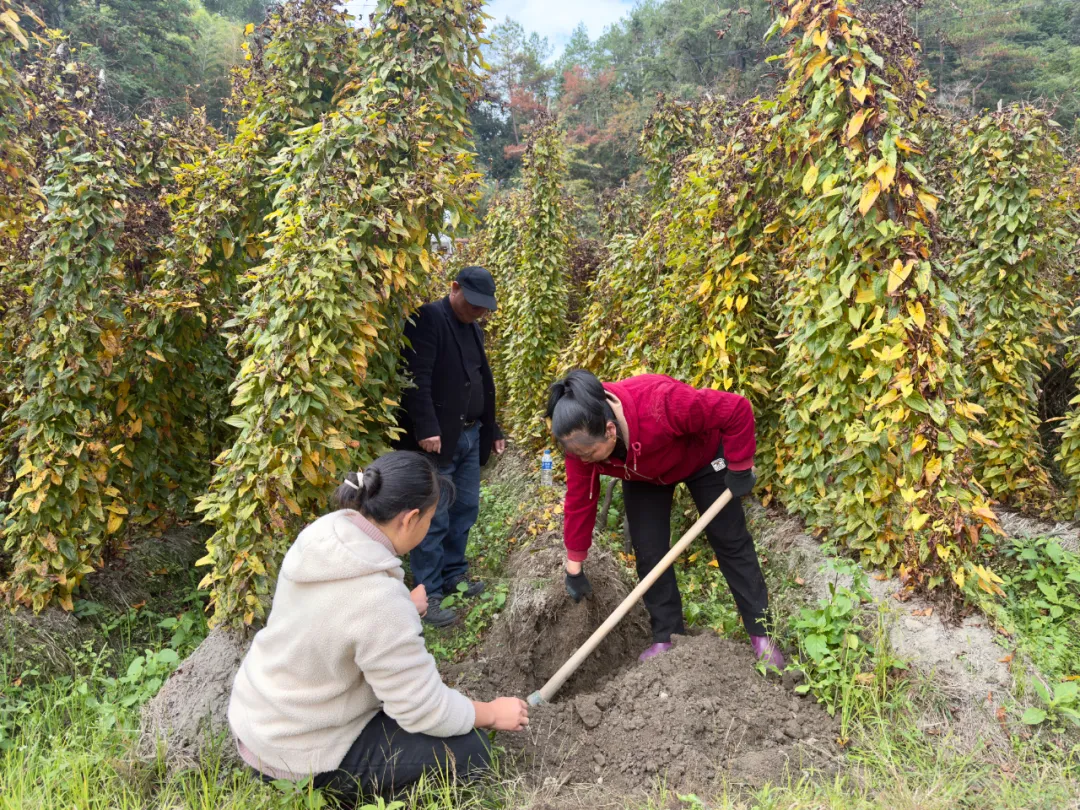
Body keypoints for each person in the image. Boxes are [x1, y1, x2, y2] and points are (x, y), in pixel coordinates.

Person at [228, 451, 528, 802]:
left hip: (260, 720)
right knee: (470, 751)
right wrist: (492, 713)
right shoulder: (378, 600)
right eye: (430, 519)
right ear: (410, 518)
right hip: (298, 755)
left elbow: (343, 617)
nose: (429, 527)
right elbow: (424, 710)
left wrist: (402, 606)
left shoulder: (324, 535)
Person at [546, 370, 785, 667]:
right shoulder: (580, 444)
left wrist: (739, 465)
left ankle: (762, 635)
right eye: (578, 456)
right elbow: (580, 500)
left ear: (610, 430)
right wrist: (574, 566)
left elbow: (736, 408)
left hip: (702, 458)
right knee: (649, 552)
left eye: (591, 454)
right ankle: (667, 636)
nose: (586, 461)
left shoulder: (661, 403)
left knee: (730, 541)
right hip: (644, 474)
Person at [396, 266, 506, 627]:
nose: (480, 312)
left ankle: (455, 573)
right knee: (433, 516)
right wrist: (426, 427)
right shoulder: (427, 319)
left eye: (484, 307)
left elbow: (480, 381)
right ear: (454, 288)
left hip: (470, 436)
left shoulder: (473, 327)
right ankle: (430, 592)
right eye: (474, 304)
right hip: (438, 440)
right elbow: (416, 378)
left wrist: (493, 428)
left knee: (465, 507)